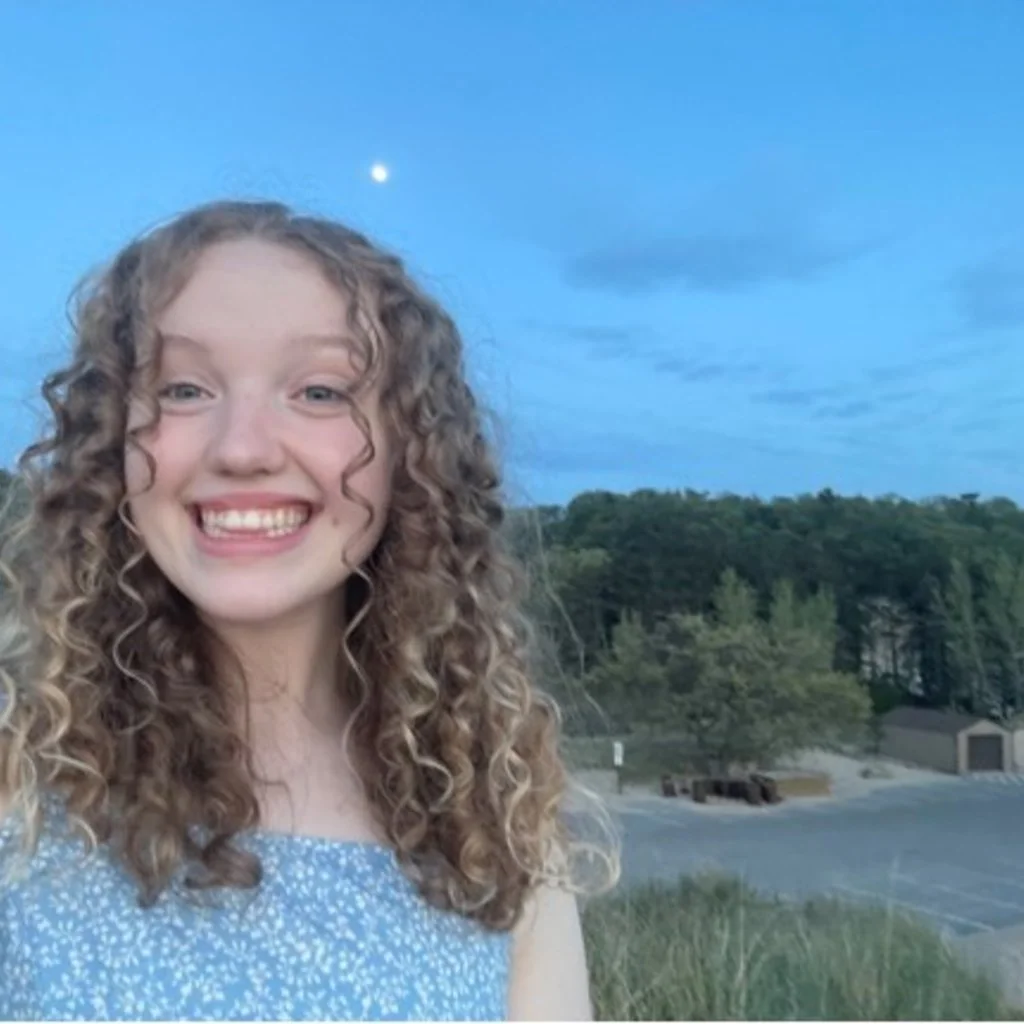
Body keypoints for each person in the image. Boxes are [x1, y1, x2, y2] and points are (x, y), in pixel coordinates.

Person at [0, 200, 618, 1021]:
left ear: (411, 453)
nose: (243, 447)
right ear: (109, 443)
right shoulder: (18, 784)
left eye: (320, 390)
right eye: (183, 389)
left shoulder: (497, 827)